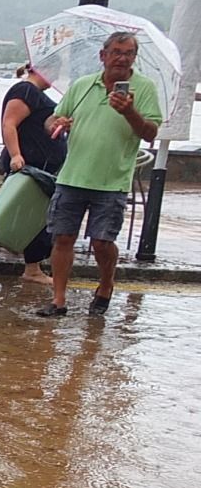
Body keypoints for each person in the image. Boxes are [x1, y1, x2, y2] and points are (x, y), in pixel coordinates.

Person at [34, 32, 161, 318]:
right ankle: (59, 299)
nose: (122, 58)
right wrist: (58, 123)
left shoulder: (144, 88)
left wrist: (129, 112)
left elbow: (150, 132)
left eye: (128, 53)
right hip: (72, 177)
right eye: (116, 51)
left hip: (112, 181)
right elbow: (50, 120)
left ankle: (106, 285)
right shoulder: (82, 86)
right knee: (63, 238)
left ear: (134, 58)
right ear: (103, 56)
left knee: (102, 241)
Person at [0, 62, 68, 285]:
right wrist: (16, 155)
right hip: (31, 166)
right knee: (34, 216)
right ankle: (32, 267)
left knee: (35, 215)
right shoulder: (26, 91)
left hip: (41, 165)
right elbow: (9, 123)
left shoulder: (33, 93)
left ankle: (33, 265)